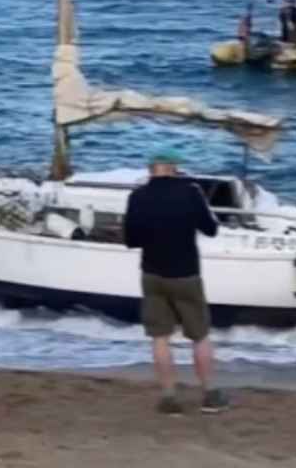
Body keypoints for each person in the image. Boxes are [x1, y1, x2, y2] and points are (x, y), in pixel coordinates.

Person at [123, 150, 229, 415]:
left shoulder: (137, 196)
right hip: (186, 274)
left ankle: (169, 398)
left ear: (151, 168)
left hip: (152, 274)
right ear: (174, 167)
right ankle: (209, 395)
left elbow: (131, 240)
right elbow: (211, 229)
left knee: (160, 337)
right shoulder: (190, 192)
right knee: (200, 335)